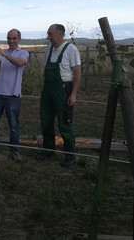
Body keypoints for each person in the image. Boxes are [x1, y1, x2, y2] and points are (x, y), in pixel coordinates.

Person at [37, 24, 81, 167]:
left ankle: (69, 156)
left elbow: (77, 73)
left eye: (50, 34)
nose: (48, 37)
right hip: (48, 91)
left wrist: (73, 94)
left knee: (64, 123)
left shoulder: (71, 49)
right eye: (48, 34)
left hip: (63, 91)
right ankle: (49, 150)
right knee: (46, 121)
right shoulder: (48, 50)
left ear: (60, 34)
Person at [0, 29, 29, 161]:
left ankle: (14, 151)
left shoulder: (24, 53)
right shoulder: (3, 54)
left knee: (14, 126)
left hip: (13, 95)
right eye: (9, 38)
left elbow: (20, 63)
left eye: (14, 38)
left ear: (19, 39)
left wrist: (4, 54)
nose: (11, 41)